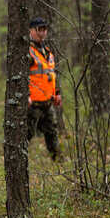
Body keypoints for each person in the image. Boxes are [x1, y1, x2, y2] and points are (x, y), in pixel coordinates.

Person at [27, 16, 62, 160]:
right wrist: (25, 96)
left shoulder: (48, 53)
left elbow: (52, 74)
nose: (42, 33)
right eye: (38, 30)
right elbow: (21, 77)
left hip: (48, 101)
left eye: (44, 30)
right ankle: (17, 161)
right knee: (26, 134)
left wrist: (57, 93)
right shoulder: (27, 52)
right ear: (31, 31)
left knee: (52, 131)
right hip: (32, 103)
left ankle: (57, 158)